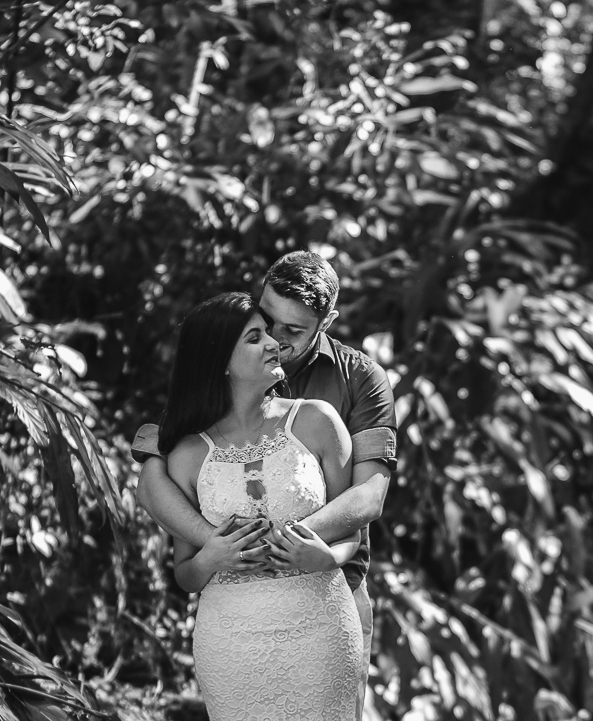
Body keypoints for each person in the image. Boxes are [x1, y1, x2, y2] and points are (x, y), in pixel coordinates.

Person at [134, 251, 397, 717]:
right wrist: (216, 547)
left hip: (330, 595)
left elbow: (369, 494)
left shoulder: (359, 380)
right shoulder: (226, 351)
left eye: (292, 331)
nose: (276, 339)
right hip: (234, 621)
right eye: (266, 321)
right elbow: (155, 474)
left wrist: (294, 542)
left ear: (326, 321)